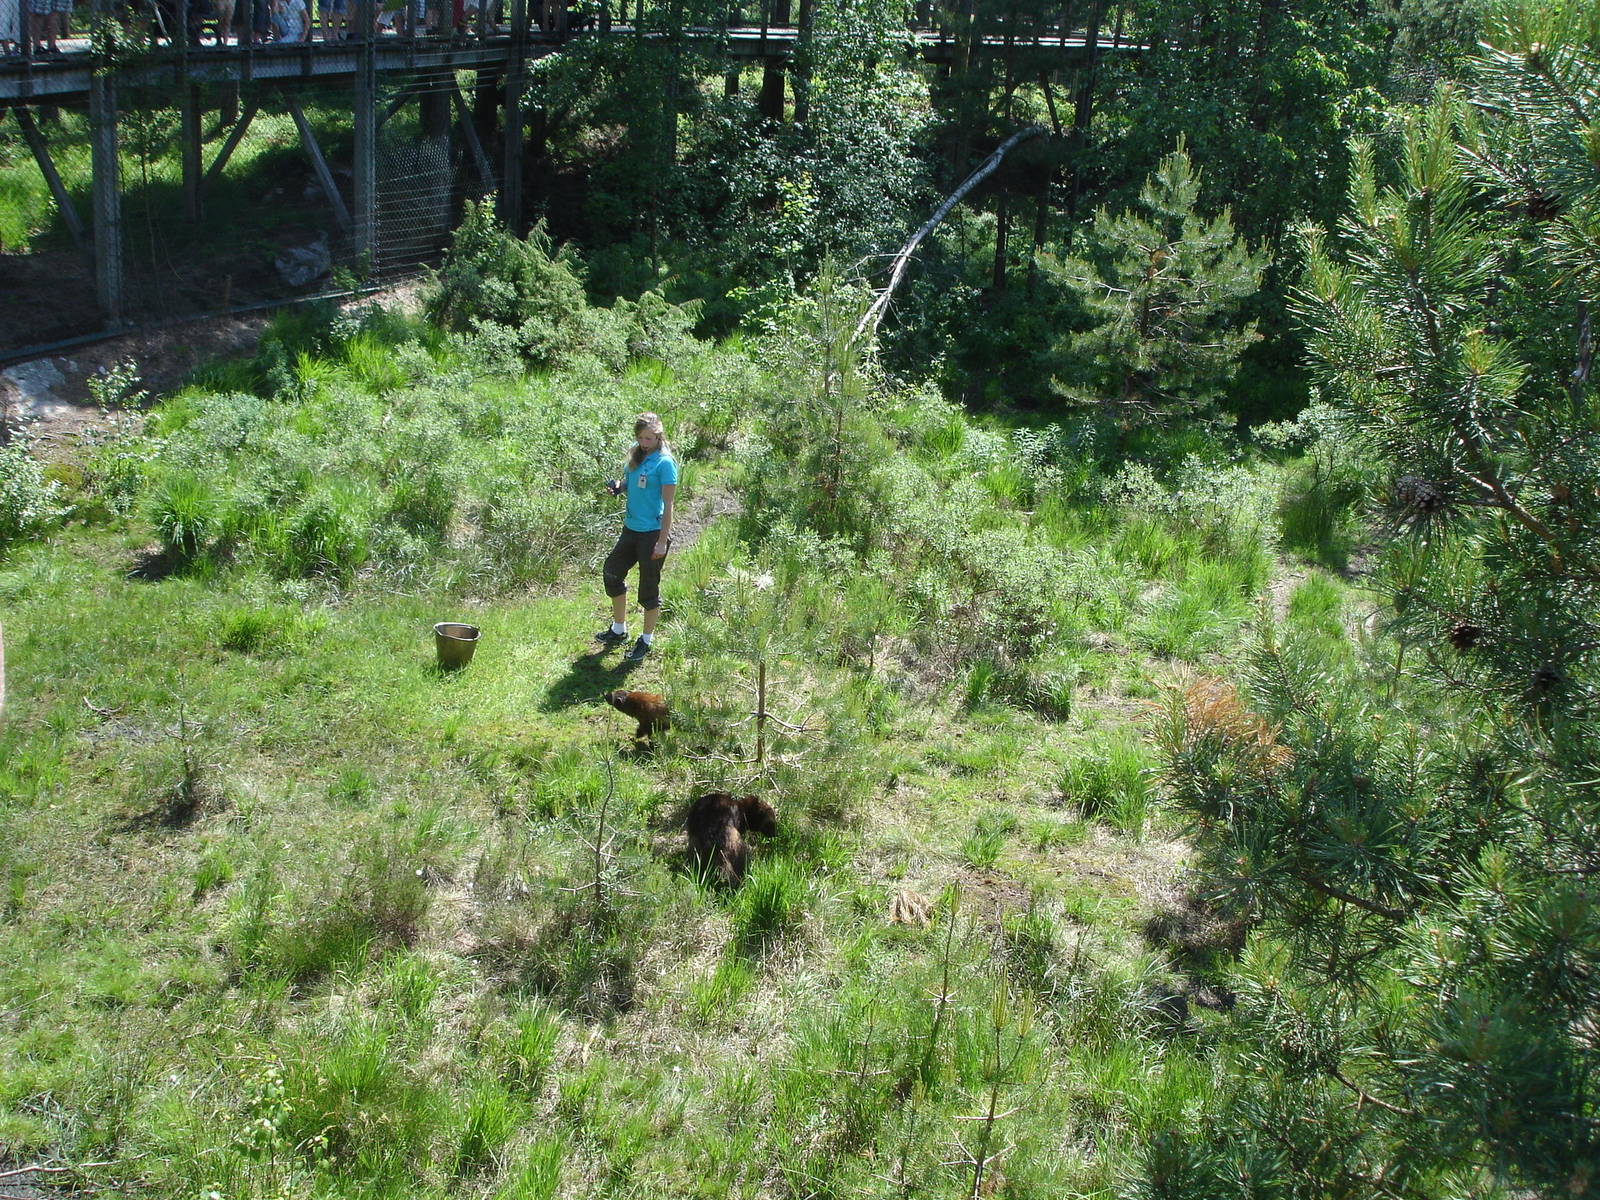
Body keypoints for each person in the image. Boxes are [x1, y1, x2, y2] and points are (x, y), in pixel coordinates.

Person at [596, 412, 676, 663]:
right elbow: (629, 482)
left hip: (652, 533)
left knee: (648, 591)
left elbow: (669, 504)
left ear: (658, 436)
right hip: (630, 529)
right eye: (641, 437)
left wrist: (662, 541)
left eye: (649, 438)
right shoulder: (635, 451)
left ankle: (646, 640)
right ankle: (618, 629)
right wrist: (618, 487)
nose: (644, 442)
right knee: (612, 572)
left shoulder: (665, 463)